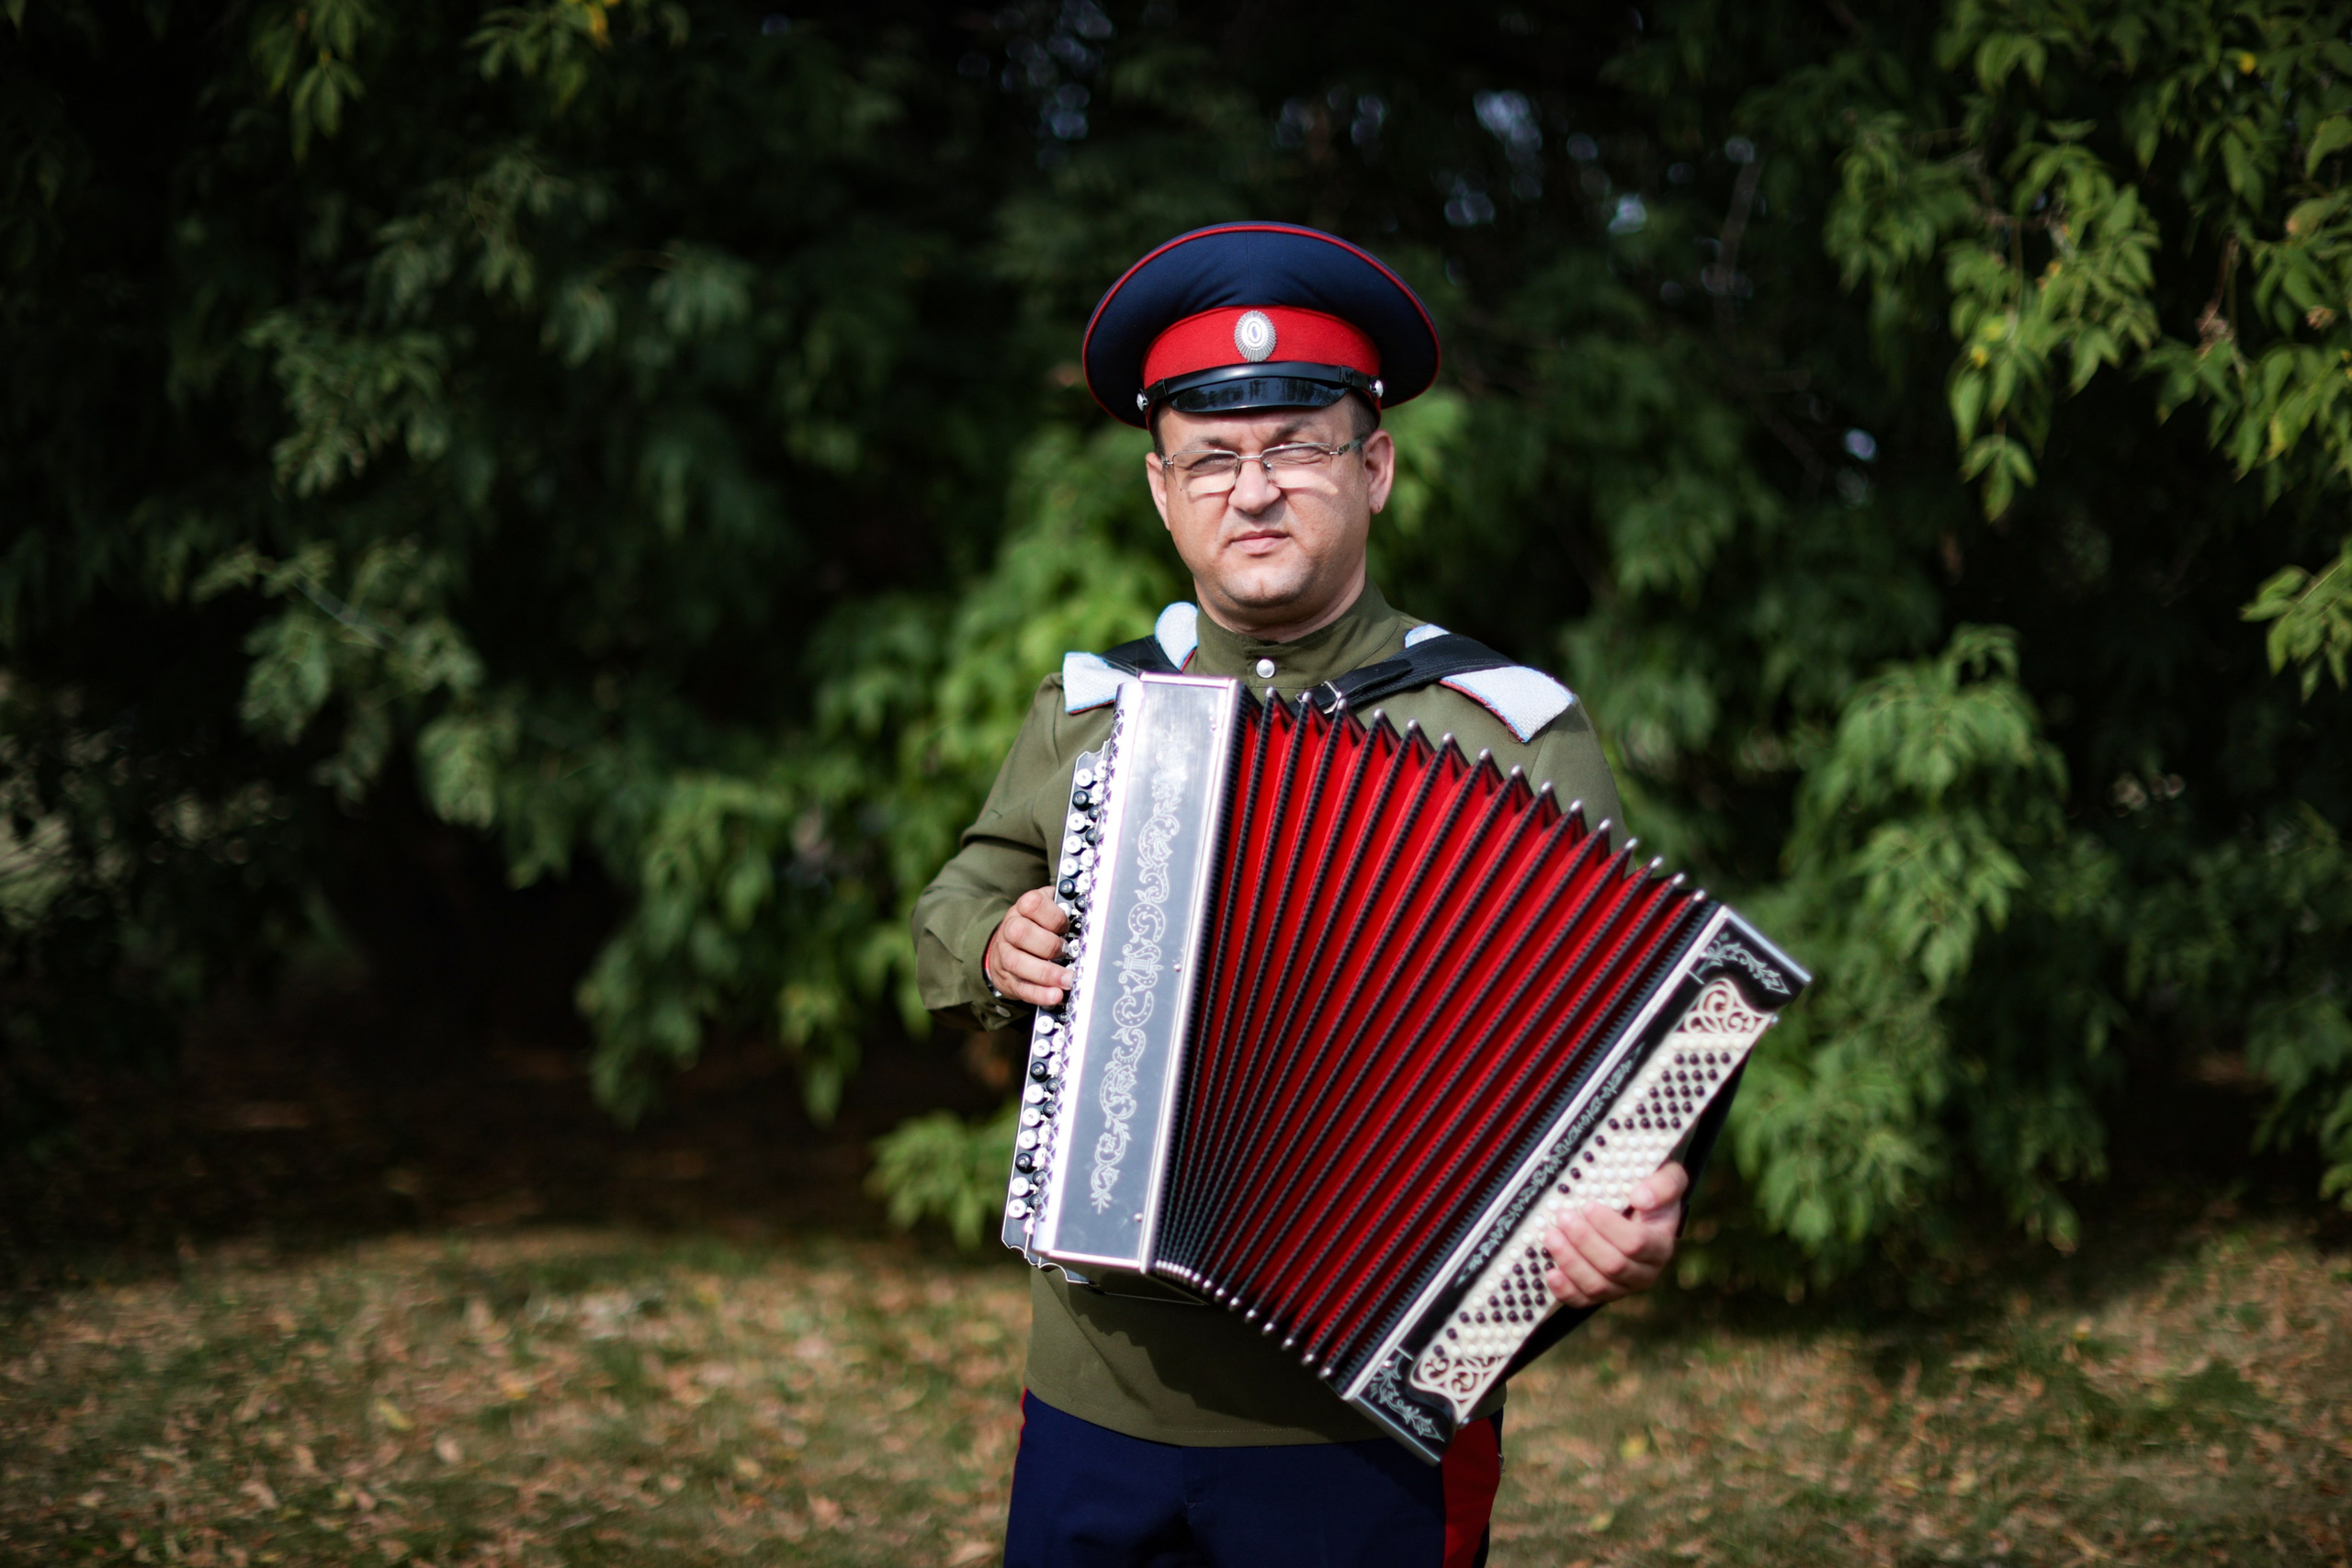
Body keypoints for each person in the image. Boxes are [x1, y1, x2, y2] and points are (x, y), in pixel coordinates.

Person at [913, 223, 1690, 1568]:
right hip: (1098, 1398)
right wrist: (995, 938)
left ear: (1374, 467)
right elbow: (965, 887)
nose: (1253, 491)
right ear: (1163, 493)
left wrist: (1643, 1193)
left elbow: (1618, 1064)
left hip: (1368, 1424)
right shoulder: (1094, 709)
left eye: (1298, 448)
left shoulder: (1510, 731)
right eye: (1212, 458)